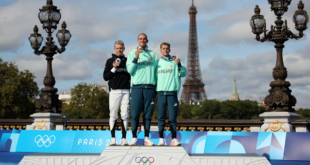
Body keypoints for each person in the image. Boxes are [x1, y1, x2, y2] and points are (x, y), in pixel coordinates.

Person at [126, 33, 158, 146]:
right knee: (134, 114)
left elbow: (156, 72)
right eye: (140, 39)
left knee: (148, 115)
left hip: (149, 87)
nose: (142, 40)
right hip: (137, 87)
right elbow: (130, 70)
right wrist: (136, 57)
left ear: (147, 41)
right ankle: (134, 137)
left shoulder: (153, 54)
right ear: (137, 41)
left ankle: (146, 137)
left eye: (144, 39)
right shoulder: (131, 53)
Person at [156, 42, 187, 146]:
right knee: (161, 116)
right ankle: (161, 139)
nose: (165, 50)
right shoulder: (157, 62)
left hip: (172, 92)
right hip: (160, 92)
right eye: (163, 48)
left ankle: (174, 138)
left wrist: (178, 64)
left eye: (167, 48)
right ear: (160, 50)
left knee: (173, 117)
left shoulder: (175, 61)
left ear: (169, 50)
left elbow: (183, 73)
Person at [103, 40, 131, 146]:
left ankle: (124, 138)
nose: (119, 50)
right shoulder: (109, 61)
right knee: (113, 114)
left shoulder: (127, 61)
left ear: (123, 48)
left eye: (121, 48)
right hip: (114, 91)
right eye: (117, 48)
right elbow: (105, 77)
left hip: (126, 90)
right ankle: (113, 138)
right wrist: (114, 68)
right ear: (114, 49)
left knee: (125, 114)